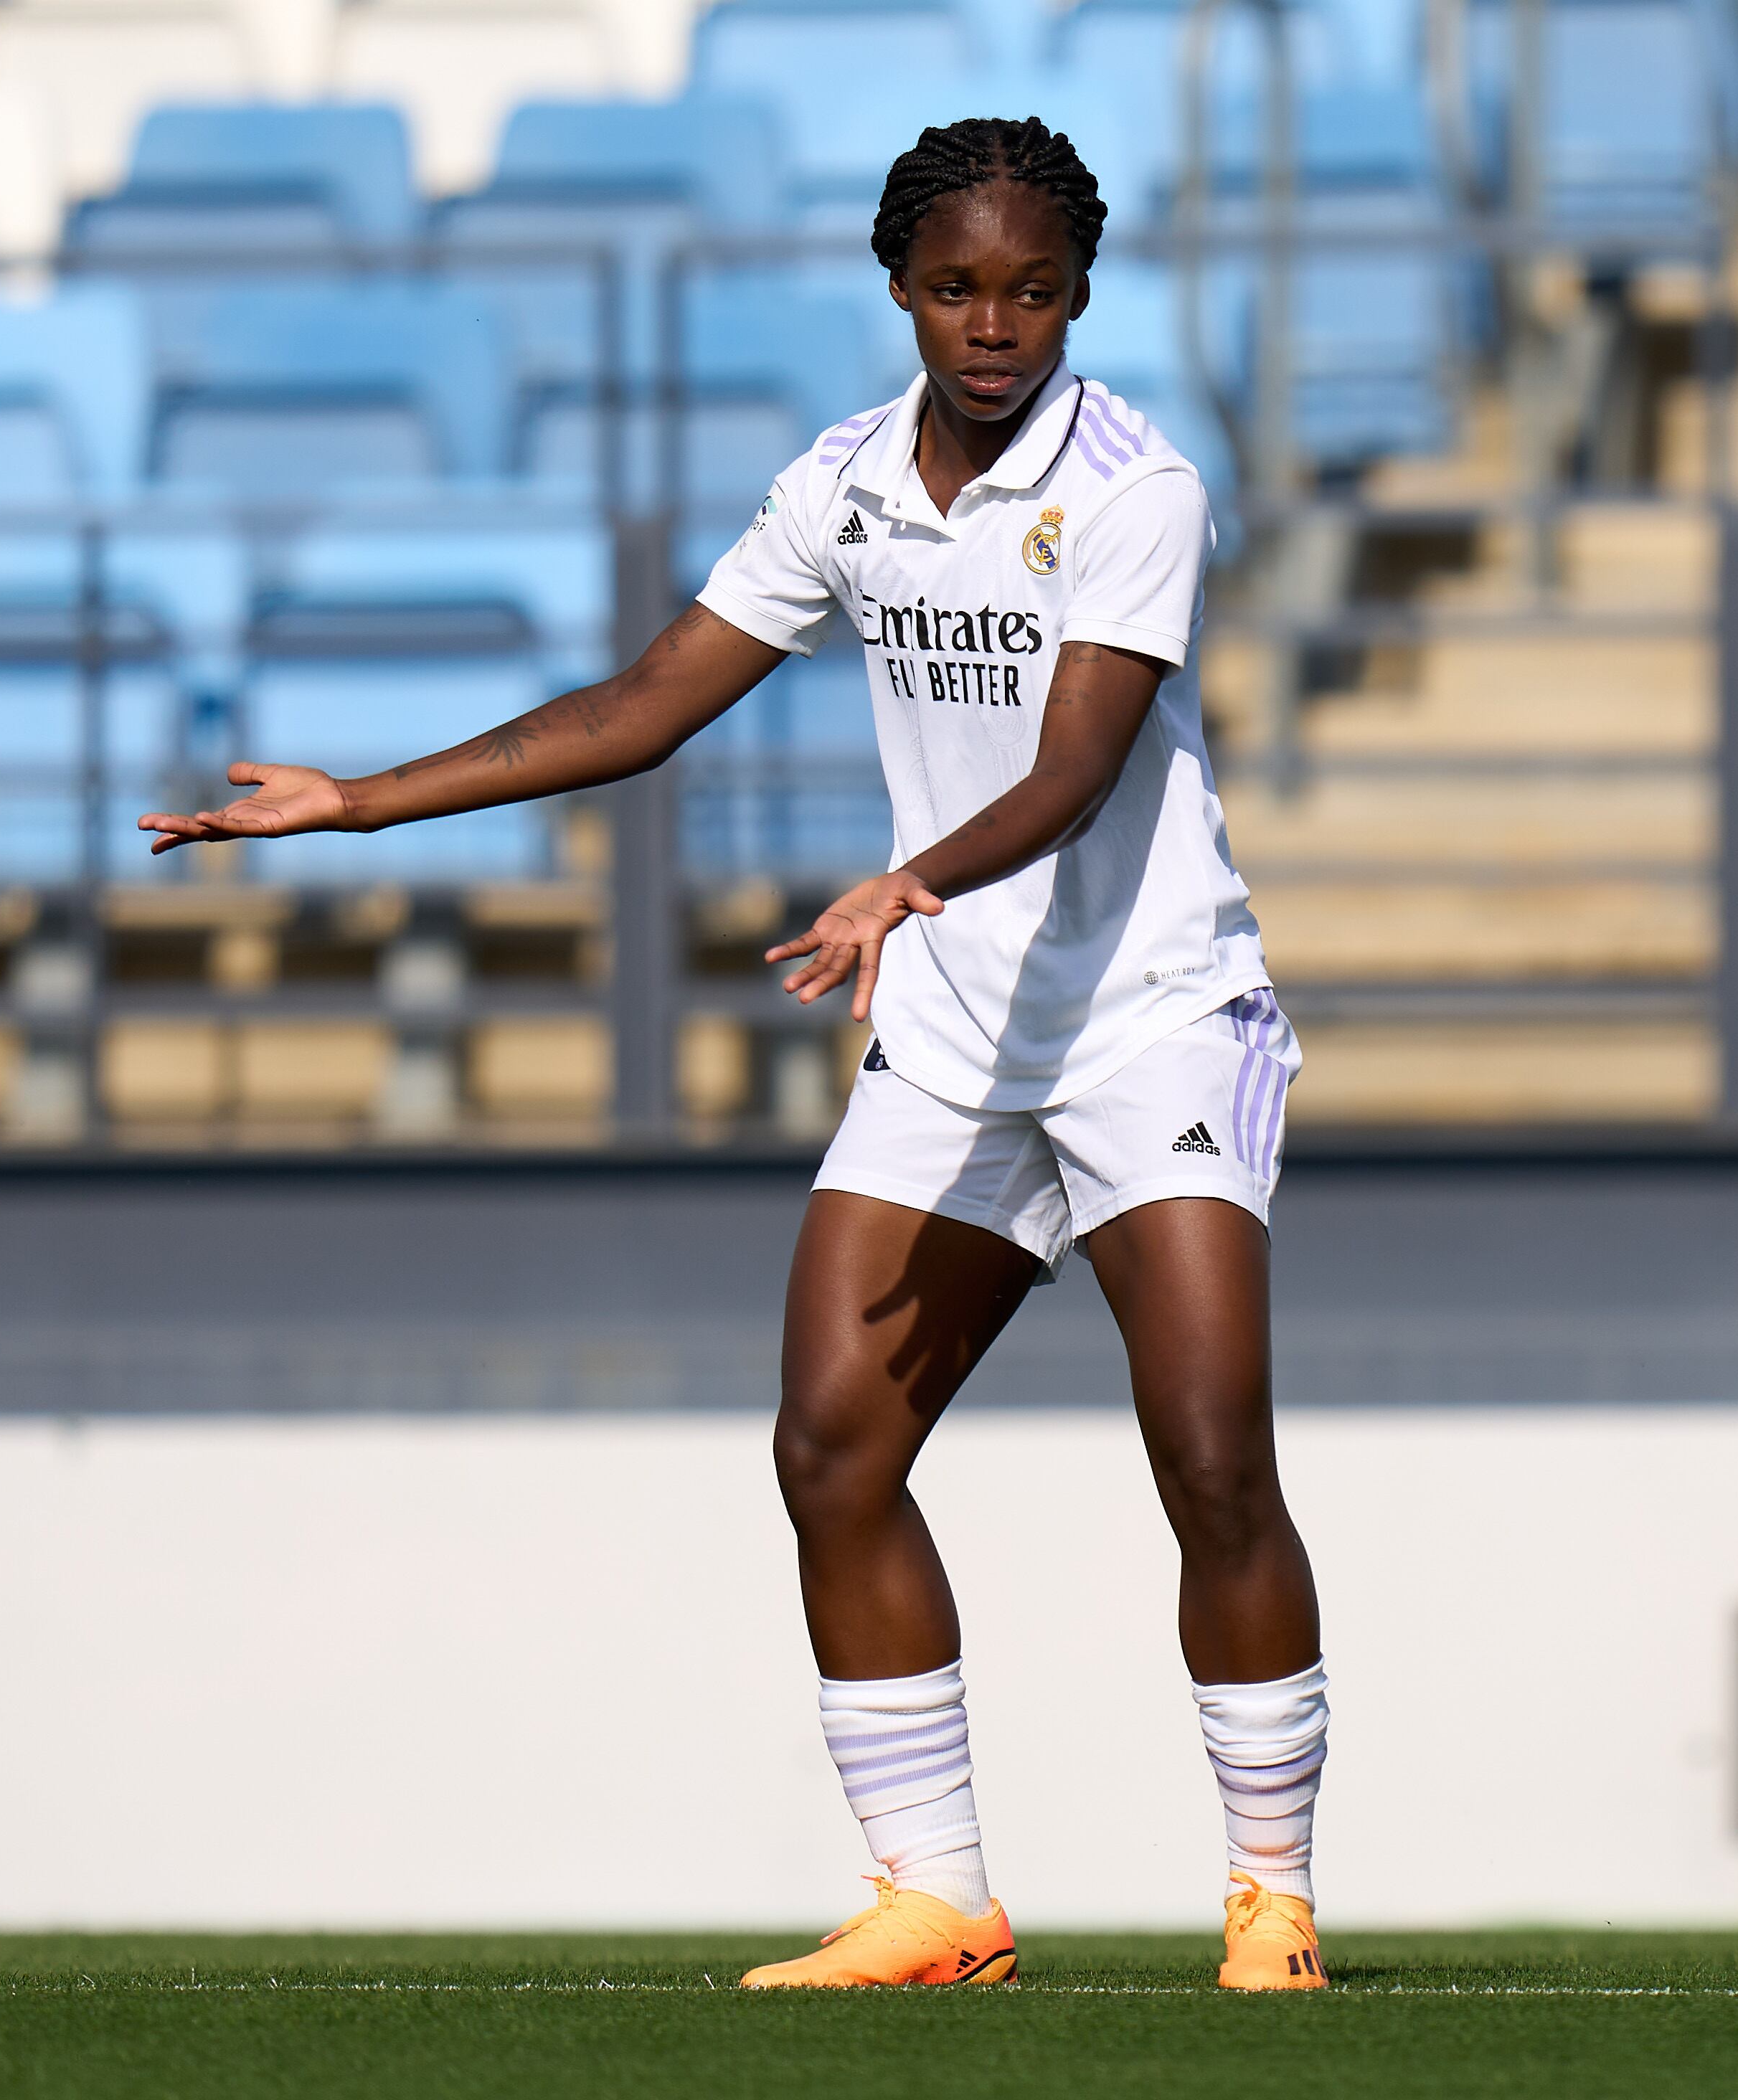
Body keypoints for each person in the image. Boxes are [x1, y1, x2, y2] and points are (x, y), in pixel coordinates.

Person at [138, 116, 1328, 1994]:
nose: (992, 322)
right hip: (950, 1040)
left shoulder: (1136, 486)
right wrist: (362, 803)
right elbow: (644, 703)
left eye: (1030, 290)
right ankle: (936, 1900)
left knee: (1207, 1456)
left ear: (1078, 294)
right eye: (955, 287)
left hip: (1150, 1018)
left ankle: (1272, 1900)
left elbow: (1082, 765)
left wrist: (907, 882)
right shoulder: (845, 482)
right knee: (832, 1447)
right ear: (901, 290)